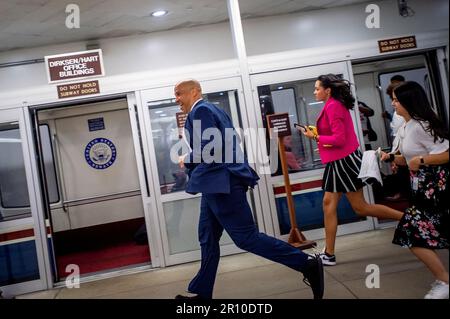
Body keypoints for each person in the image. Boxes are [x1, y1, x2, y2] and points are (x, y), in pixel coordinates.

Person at [174, 79, 324, 299]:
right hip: (214, 184)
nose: (176, 99)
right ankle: (203, 294)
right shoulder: (214, 109)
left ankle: (307, 264)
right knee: (207, 238)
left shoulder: (201, 110)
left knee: (246, 238)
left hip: (221, 184)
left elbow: (211, 148)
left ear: (195, 92)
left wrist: (186, 159)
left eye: (179, 93)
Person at [298, 74, 404, 266]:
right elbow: (338, 136)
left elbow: (339, 139)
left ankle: (408, 219)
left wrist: (316, 138)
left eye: (317, 88)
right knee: (329, 204)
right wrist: (318, 134)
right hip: (338, 162)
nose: (315, 92)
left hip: (343, 162)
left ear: (327, 90)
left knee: (360, 207)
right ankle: (328, 254)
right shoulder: (333, 105)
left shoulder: (333, 107)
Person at [381, 81, 449, 299]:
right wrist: (391, 157)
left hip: (436, 188)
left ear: (409, 102)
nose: (393, 104)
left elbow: (446, 153)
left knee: (409, 232)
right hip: (421, 188)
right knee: (416, 233)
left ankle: (445, 281)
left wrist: (422, 159)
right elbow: (408, 159)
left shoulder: (423, 125)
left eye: (397, 100)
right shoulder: (407, 126)